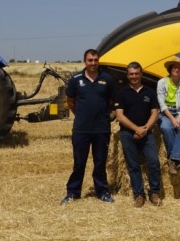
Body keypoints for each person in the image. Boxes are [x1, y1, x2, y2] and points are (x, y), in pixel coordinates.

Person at [60, 49, 116, 204]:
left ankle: (102, 192)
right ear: (85, 61)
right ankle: (73, 192)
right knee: (79, 162)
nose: (93, 63)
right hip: (81, 129)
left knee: (100, 162)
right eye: (90, 60)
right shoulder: (75, 80)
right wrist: (82, 115)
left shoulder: (107, 79)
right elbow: (71, 101)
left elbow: (111, 102)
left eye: (95, 60)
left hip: (101, 129)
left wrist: (103, 115)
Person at [114, 62, 162, 207]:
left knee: (153, 162)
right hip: (127, 134)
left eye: (136, 73)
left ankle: (154, 193)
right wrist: (136, 129)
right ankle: (139, 195)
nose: (134, 76)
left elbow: (155, 112)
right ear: (127, 75)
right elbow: (119, 116)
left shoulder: (149, 92)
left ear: (141, 74)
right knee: (133, 165)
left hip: (147, 133)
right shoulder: (121, 93)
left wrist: (145, 129)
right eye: (131, 74)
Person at [157, 57, 180, 175]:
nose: (177, 69)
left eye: (179, 68)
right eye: (174, 67)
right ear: (170, 69)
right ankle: (177, 159)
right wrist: (172, 118)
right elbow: (161, 104)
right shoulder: (161, 82)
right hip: (165, 113)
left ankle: (172, 159)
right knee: (166, 128)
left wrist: (179, 117)